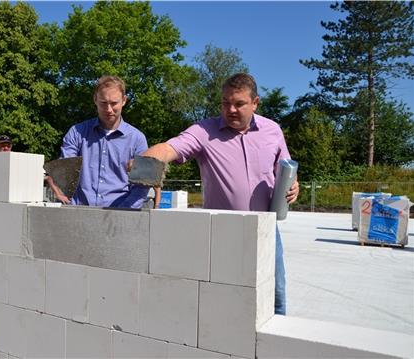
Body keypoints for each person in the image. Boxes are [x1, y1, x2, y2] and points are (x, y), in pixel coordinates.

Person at [140, 73, 299, 315]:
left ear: (255, 102)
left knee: (276, 294)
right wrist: (146, 162)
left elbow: (285, 167)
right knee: (224, 298)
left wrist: (293, 185)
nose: (231, 109)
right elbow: (171, 147)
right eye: (225, 103)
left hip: (266, 228)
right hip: (222, 231)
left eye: (239, 104)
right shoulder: (205, 131)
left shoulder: (273, 130)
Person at [57, 75, 149, 208]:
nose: (109, 110)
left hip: (121, 215)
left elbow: (141, 187)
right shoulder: (76, 132)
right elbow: (65, 173)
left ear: (124, 100)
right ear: (95, 99)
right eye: (103, 103)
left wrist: (124, 212)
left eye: (114, 103)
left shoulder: (137, 139)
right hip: (79, 213)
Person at [0, 135, 69, 203]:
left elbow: (47, 178)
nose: (5, 148)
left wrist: (58, 194)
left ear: (11, 146)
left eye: (8, 146)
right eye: (3, 146)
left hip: (17, 200)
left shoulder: (19, 160)